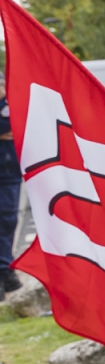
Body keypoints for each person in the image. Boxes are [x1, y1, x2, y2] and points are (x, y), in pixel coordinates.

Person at [0, 73, 22, 297]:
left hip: (10, 174)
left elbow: (16, 124)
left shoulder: (12, 103)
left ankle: (6, 270)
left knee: (7, 221)